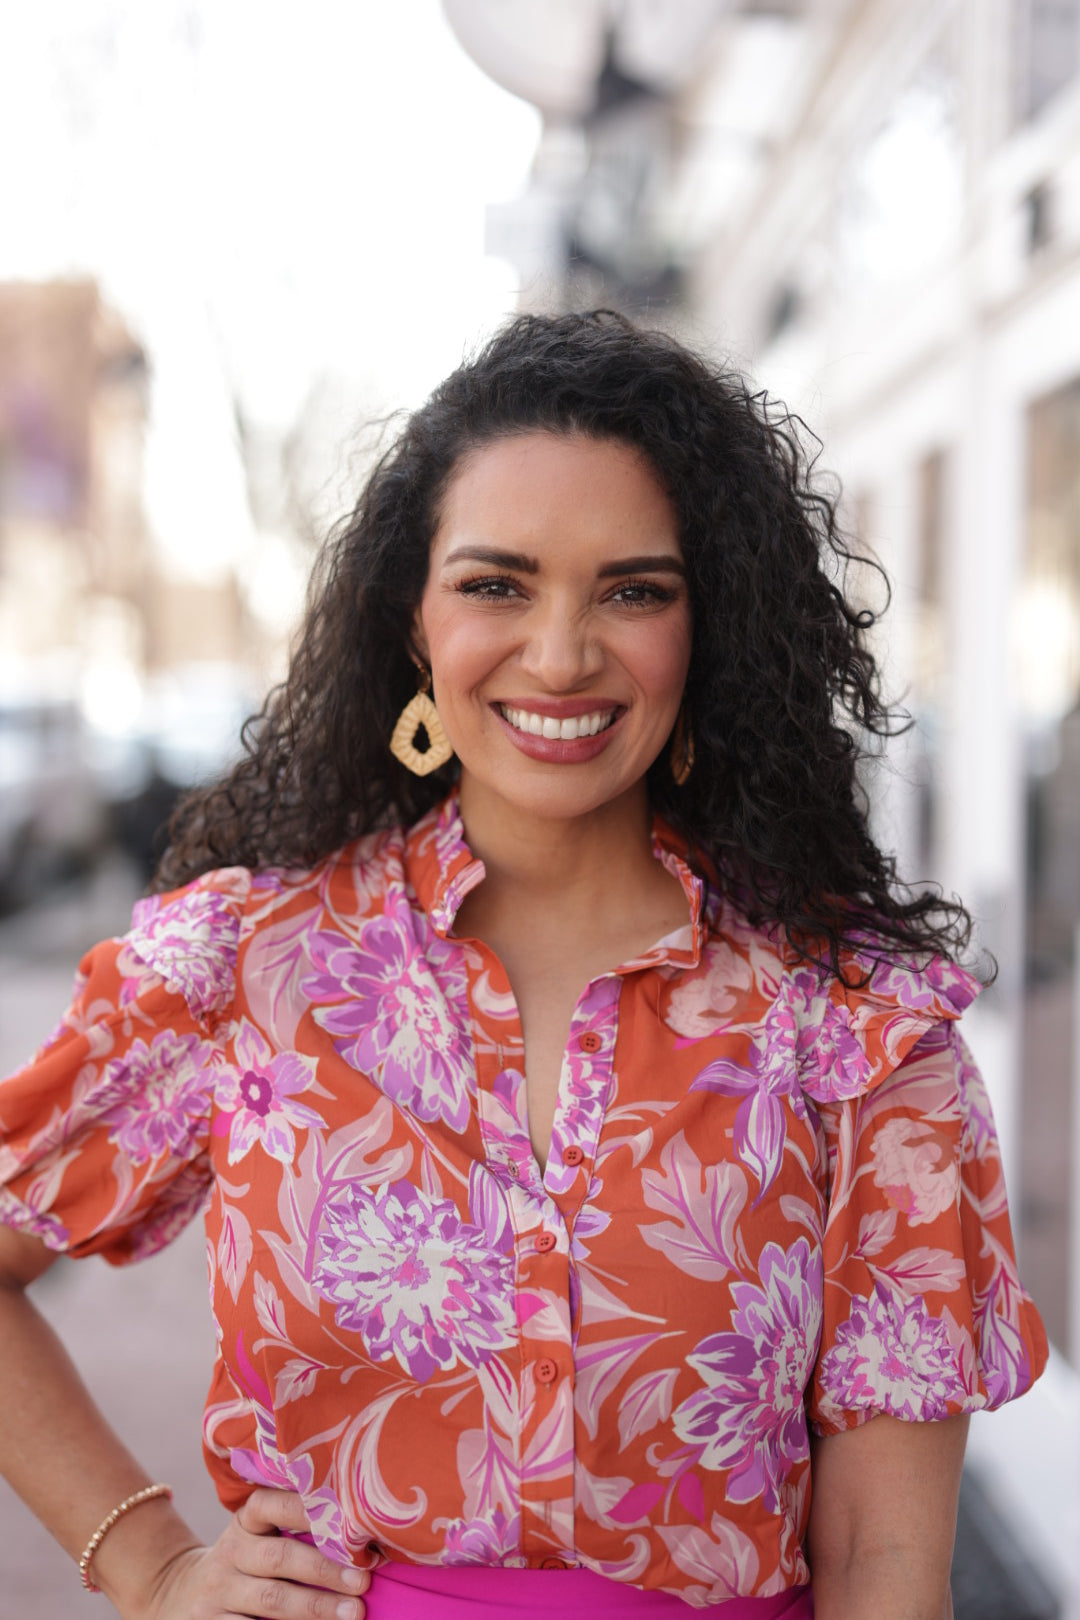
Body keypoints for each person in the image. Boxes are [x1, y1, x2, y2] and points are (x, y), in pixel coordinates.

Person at [0, 310, 1047, 1619]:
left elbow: (888, 1571)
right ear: (413, 622)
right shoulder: (248, 971)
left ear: (705, 629)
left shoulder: (854, 1021)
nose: (561, 654)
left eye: (634, 590)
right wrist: (149, 1566)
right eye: (498, 583)